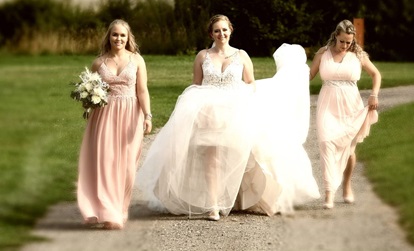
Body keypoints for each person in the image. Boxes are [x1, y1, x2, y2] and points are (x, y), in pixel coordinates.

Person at [136, 14, 319, 221]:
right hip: (209, 113)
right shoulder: (202, 56)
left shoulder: (241, 56)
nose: (221, 34)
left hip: (235, 111)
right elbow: (196, 85)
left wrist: (239, 96)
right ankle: (214, 204)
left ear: (230, 30)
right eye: (216, 31)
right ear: (211, 34)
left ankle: (239, 198)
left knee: (239, 156)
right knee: (211, 159)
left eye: (224, 30)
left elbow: (250, 84)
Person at [77, 19, 152, 230]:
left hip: (131, 114)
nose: (118, 39)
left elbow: (142, 91)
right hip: (104, 116)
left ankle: (122, 207)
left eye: (122, 35)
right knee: (106, 161)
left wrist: (148, 115)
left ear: (128, 38)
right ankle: (108, 210)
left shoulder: (137, 60)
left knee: (128, 163)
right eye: (115, 35)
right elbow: (90, 90)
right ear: (108, 37)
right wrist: (88, 104)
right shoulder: (98, 63)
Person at [309, 19, 381, 209]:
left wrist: (374, 95)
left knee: (349, 150)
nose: (345, 45)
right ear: (336, 36)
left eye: (348, 42)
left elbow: (376, 74)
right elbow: (309, 75)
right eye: (342, 41)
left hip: (351, 106)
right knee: (326, 144)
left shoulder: (358, 55)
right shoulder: (323, 53)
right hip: (327, 104)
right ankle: (329, 193)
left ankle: (347, 185)